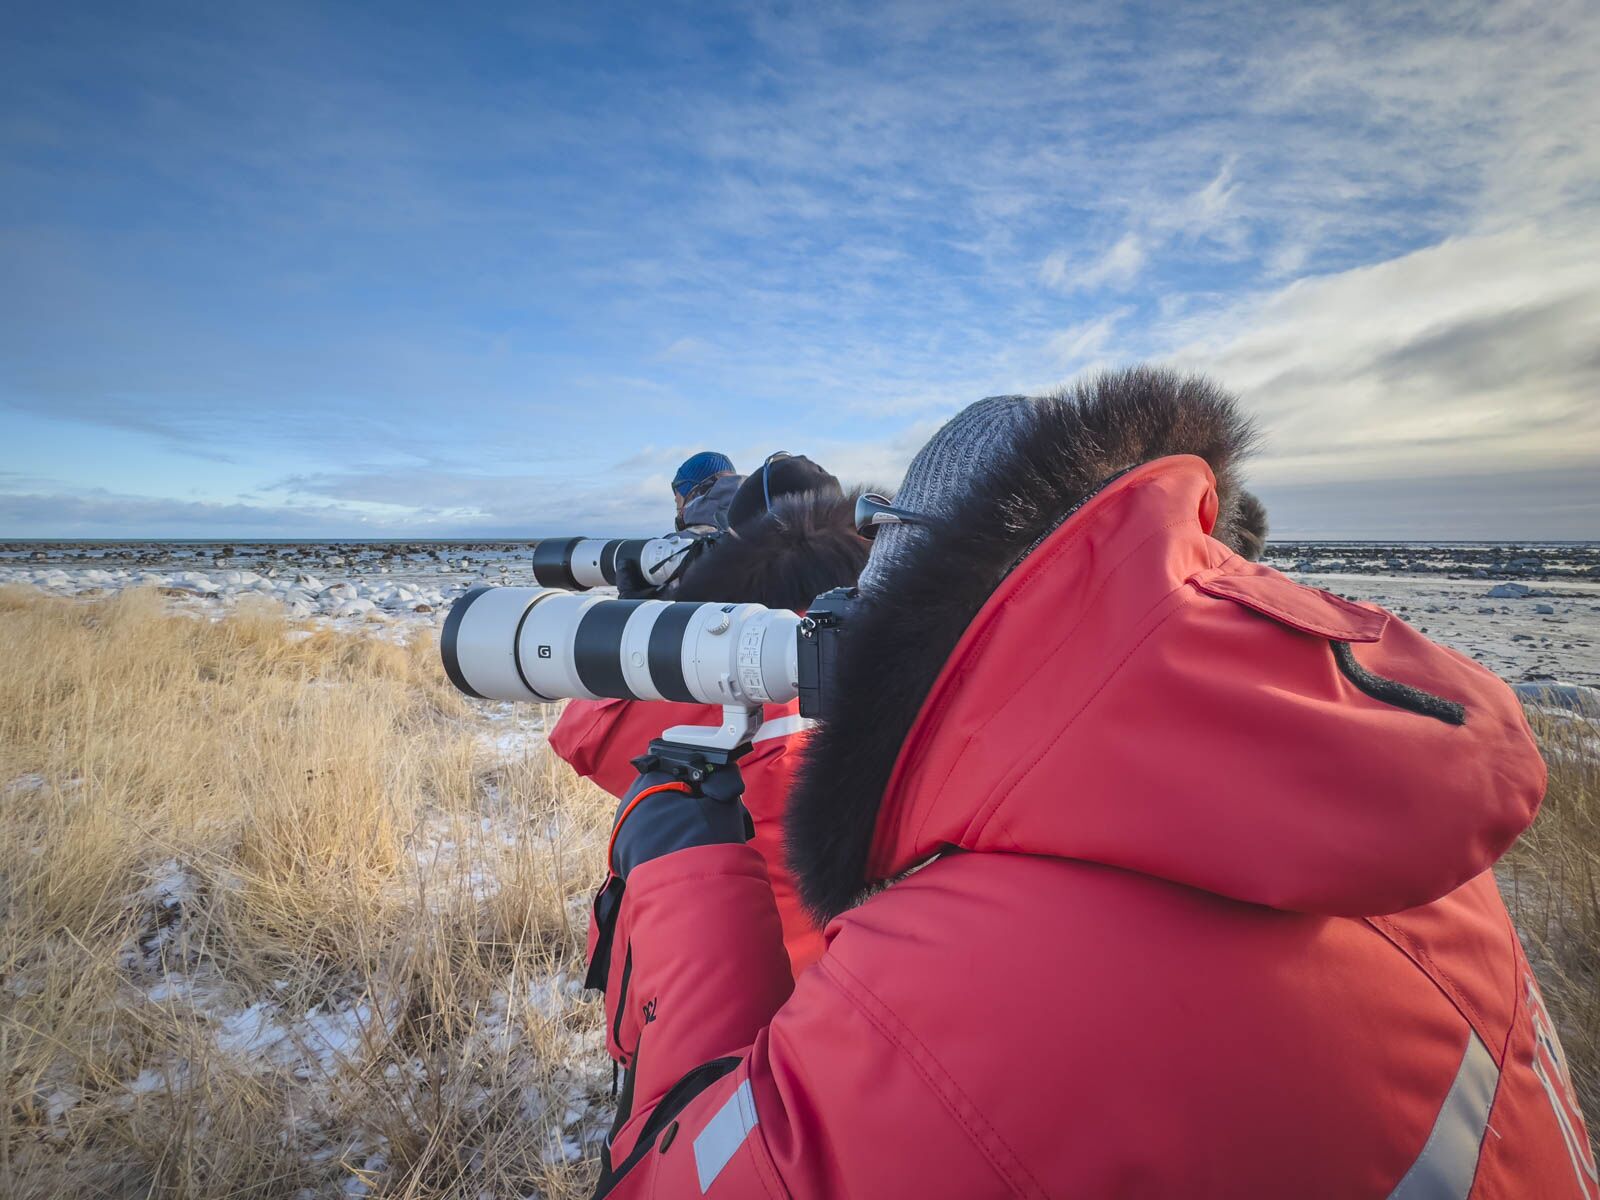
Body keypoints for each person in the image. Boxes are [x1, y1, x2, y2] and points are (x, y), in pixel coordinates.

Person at [582, 367, 1594, 1197]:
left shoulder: (958, 996)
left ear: (915, 631)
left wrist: (685, 869)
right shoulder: (1406, 829)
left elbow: (669, 1182)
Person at [551, 452, 869, 975]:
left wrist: (649, 624)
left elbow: (583, 737)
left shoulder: (721, 669)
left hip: (710, 974)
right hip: (845, 970)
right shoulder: (893, 650)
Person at [671, 451, 742, 533]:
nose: (675, 499)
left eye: (677, 490)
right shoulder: (753, 527)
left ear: (693, 492)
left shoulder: (689, 542)